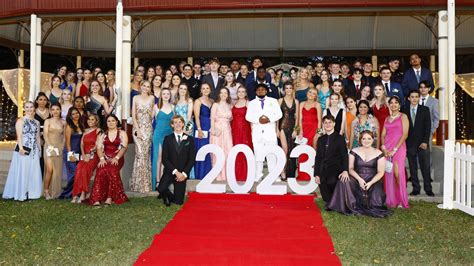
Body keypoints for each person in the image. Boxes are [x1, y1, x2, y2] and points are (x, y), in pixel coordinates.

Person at [327, 130, 391, 217]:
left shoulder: (379, 153)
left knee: (376, 191)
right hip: (356, 177)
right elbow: (350, 168)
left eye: (369, 138)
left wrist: (371, 182)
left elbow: (380, 172)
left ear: (373, 140)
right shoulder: (354, 151)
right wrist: (359, 179)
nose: (366, 141)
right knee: (344, 180)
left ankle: (370, 204)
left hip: (373, 179)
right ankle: (348, 205)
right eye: (364, 139)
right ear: (360, 140)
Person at [2, 101, 43, 201]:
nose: (29, 109)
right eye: (27, 107)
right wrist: (21, 148)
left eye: (31, 107)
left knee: (33, 170)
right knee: (23, 170)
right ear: (24, 109)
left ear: (34, 108)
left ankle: (32, 192)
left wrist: (40, 149)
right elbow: (19, 136)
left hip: (33, 150)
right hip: (23, 148)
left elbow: (37, 137)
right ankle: (21, 193)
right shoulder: (20, 121)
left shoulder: (37, 122)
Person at [246, 83, 283, 182]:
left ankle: (274, 176)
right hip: (257, 133)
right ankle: (258, 175)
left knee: (271, 154)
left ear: (266, 91)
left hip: (270, 132)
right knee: (258, 155)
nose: (260, 91)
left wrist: (269, 119)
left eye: (263, 89)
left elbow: (279, 114)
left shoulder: (273, 101)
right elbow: (248, 116)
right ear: (255, 92)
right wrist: (258, 120)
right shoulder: (251, 103)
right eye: (258, 90)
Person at [90, 115, 128, 206]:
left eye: (113, 121)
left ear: (117, 122)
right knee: (101, 170)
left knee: (112, 170)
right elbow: (99, 148)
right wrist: (102, 159)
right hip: (105, 157)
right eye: (108, 121)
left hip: (118, 157)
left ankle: (109, 197)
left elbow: (124, 148)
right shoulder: (102, 134)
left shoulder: (122, 133)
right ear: (106, 123)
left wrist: (116, 158)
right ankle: (97, 198)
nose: (111, 123)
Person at [158, 115, 196, 206]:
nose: (178, 124)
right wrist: (175, 172)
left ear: (183, 124)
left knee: (178, 202)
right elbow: (165, 159)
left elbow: (191, 159)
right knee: (161, 188)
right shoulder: (167, 139)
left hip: (182, 173)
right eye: (175, 122)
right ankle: (166, 196)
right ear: (172, 125)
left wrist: (184, 174)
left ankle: (173, 197)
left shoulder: (190, 140)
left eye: (180, 122)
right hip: (170, 171)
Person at [403, 90, 434, 196]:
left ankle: (428, 188)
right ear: (408, 98)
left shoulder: (425, 110)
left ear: (419, 98)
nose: (414, 99)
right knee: (413, 167)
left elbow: (428, 127)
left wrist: (425, 141)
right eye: (412, 97)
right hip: (410, 143)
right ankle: (416, 188)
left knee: (425, 167)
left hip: (422, 143)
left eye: (416, 97)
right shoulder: (404, 110)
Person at [381, 96, 410, 208]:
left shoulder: (403, 116)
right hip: (387, 148)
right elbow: (383, 134)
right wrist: (383, 147)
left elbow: (405, 134)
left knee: (398, 174)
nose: (393, 105)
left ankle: (402, 200)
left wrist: (395, 149)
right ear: (389, 105)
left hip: (399, 148)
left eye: (396, 103)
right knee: (389, 173)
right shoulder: (387, 118)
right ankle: (392, 200)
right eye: (391, 103)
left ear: (399, 105)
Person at [314, 115, 349, 205]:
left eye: (330, 122)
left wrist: (345, 170)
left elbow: (344, 155)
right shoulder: (321, 139)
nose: (328, 124)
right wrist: (316, 174)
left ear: (334, 124)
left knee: (331, 181)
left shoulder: (340, 138)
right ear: (323, 124)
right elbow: (318, 157)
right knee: (323, 185)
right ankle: (329, 202)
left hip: (335, 168)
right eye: (325, 122)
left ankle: (335, 202)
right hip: (323, 168)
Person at [130, 80, 155, 193]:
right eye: (144, 86)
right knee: (139, 154)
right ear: (141, 86)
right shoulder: (135, 98)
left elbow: (152, 115)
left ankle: (146, 185)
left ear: (150, 88)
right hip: (137, 128)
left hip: (148, 128)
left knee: (145, 154)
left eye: (148, 86)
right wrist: (138, 130)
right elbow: (133, 116)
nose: (145, 88)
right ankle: (137, 184)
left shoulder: (152, 98)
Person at [71, 114, 101, 203]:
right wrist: (83, 154)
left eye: (92, 119)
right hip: (85, 155)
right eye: (89, 119)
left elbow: (97, 145)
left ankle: (83, 194)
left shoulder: (98, 130)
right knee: (79, 169)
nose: (90, 121)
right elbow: (82, 144)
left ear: (96, 121)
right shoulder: (85, 131)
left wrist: (90, 154)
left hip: (94, 155)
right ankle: (76, 194)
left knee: (85, 169)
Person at [152, 88, 174, 190]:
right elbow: (149, 121)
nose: (166, 95)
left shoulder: (173, 107)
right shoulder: (156, 107)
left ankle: (165, 181)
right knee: (159, 157)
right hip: (159, 134)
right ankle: (157, 181)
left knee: (167, 159)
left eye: (167, 94)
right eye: (164, 94)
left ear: (170, 95)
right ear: (161, 95)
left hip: (169, 135)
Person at [59, 107, 84, 199]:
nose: (75, 115)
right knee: (73, 173)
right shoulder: (69, 126)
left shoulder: (81, 124)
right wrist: (70, 154)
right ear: (70, 116)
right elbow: (68, 142)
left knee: (78, 173)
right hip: (70, 152)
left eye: (77, 113)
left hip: (79, 152)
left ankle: (75, 192)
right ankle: (67, 194)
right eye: (73, 114)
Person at [298, 87, 322, 180]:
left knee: (313, 151)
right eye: (310, 92)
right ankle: (302, 175)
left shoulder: (317, 105)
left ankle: (312, 175)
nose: (311, 94)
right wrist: (300, 131)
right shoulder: (302, 103)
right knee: (302, 151)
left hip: (313, 130)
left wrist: (318, 133)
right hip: (304, 131)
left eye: (314, 93)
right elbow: (299, 119)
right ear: (307, 93)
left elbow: (320, 120)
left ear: (316, 96)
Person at [43, 103, 66, 199]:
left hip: (59, 147)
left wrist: (61, 147)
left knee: (57, 170)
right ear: (50, 111)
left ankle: (55, 191)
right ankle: (46, 191)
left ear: (60, 110)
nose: (55, 111)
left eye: (57, 109)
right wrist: (49, 145)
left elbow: (64, 136)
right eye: (53, 109)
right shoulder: (47, 121)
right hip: (49, 147)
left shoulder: (63, 122)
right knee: (49, 169)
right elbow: (45, 134)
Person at [210, 87, 233, 181]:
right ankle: (218, 175)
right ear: (219, 94)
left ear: (228, 95)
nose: (223, 95)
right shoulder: (215, 104)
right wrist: (213, 129)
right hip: (217, 130)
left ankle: (226, 175)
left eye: (225, 93)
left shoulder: (230, 105)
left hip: (227, 131)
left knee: (227, 151)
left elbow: (231, 119)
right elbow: (212, 118)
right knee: (218, 152)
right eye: (221, 93)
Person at [278, 82, 299, 180]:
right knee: (285, 150)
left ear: (293, 89)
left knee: (292, 150)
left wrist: (296, 130)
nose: (288, 90)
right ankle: (282, 170)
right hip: (282, 126)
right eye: (286, 88)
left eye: (290, 88)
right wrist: (277, 130)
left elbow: (298, 118)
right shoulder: (280, 100)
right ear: (284, 90)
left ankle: (290, 172)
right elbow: (277, 117)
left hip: (292, 127)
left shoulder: (296, 101)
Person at [231, 86, 253, 181]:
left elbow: (251, 119)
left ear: (246, 93)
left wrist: (252, 130)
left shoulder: (248, 103)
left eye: (243, 91)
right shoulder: (234, 103)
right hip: (235, 130)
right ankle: (236, 174)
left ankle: (246, 175)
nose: (241, 93)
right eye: (239, 91)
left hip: (245, 130)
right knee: (236, 150)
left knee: (245, 150)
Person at [194, 83, 213, 180]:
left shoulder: (212, 101)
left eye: (207, 88)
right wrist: (199, 129)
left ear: (210, 89)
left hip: (210, 128)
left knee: (210, 150)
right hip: (202, 127)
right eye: (203, 88)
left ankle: (209, 174)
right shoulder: (198, 101)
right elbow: (196, 117)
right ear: (201, 90)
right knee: (201, 150)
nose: (205, 90)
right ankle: (201, 176)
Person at [34, 92, 51, 176]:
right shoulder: (33, 112)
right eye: (40, 99)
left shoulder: (51, 112)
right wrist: (39, 137)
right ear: (37, 101)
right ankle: (37, 178)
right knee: (39, 158)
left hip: (49, 137)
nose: (43, 101)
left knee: (47, 158)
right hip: (36, 137)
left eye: (45, 100)